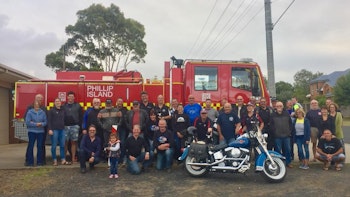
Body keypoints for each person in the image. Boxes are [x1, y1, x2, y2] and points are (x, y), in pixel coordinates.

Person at [24, 94, 48, 165]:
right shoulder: (29, 108)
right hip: (32, 131)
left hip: (41, 131)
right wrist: (35, 124)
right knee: (30, 146)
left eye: (41, 99)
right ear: (35, 99)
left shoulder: (44, 109)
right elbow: (27, 120)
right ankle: (28, 161)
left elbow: (46, 120)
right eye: (38, 98)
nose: (39, 100)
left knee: (41, 146)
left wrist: (42, 124)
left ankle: (41, 161)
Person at [270, 101, 294, 168]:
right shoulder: (273, 115)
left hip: (286, 136)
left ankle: (288, 162)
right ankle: (279, 164)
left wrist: (289, 132)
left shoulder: (286, 114)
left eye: (280, 106)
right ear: (275, 107)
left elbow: (290, 124)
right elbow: (271, 126)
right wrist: (274, 133)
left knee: (288, 150)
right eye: (278, 106)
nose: (279, 107)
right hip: (277, 136)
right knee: (277, 151)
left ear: (283, 107)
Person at [48, 98, 70, 166]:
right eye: (56, 101)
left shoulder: (63, 110)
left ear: (61, 103)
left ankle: (63, 160)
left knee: (62, 145)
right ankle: (54, 160)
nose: (58, 102)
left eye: (59, 101)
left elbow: (66, 119)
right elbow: (49, 120)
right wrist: (50, 129)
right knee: (54, 146)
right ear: (54, 103)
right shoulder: (51, 110)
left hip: (62, 130)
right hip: (54, 130)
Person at [63, 91, 83, 163]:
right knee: (65, 142)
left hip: (75, 126)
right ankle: (63, 158)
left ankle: (73, 158)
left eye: (72, 96)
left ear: (74, 97)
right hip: (65, 126)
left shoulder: (78, 106)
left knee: (74, 143)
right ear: (67, 97)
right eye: (69, 96)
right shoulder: (63, 106)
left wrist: (80, 126)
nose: (70, 98)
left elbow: (81, 117)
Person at [115, 97, 129, 165]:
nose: (120, 103)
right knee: (114, 142)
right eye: (119, 101)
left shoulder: (125, 110)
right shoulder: (113, 109)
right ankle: (115, 158)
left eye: (121, 101)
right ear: (116, 102)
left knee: (122, 143)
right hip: (114, 127)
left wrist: (121, 115)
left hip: (123, 128)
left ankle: (122, 158)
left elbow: (126, 119)